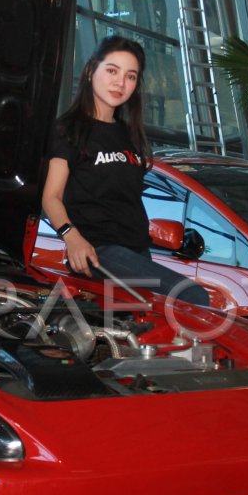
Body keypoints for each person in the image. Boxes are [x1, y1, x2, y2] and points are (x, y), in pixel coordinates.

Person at [42, 36, 209, 307]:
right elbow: (51, 197)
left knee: (140, 334)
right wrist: (73, 239)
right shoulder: (69, 130)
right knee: (192, 296)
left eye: (130, 76)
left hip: (137, 252)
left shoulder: (128, 135)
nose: (120, 82)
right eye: (112, 70)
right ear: (90, 71)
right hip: (99, 252)